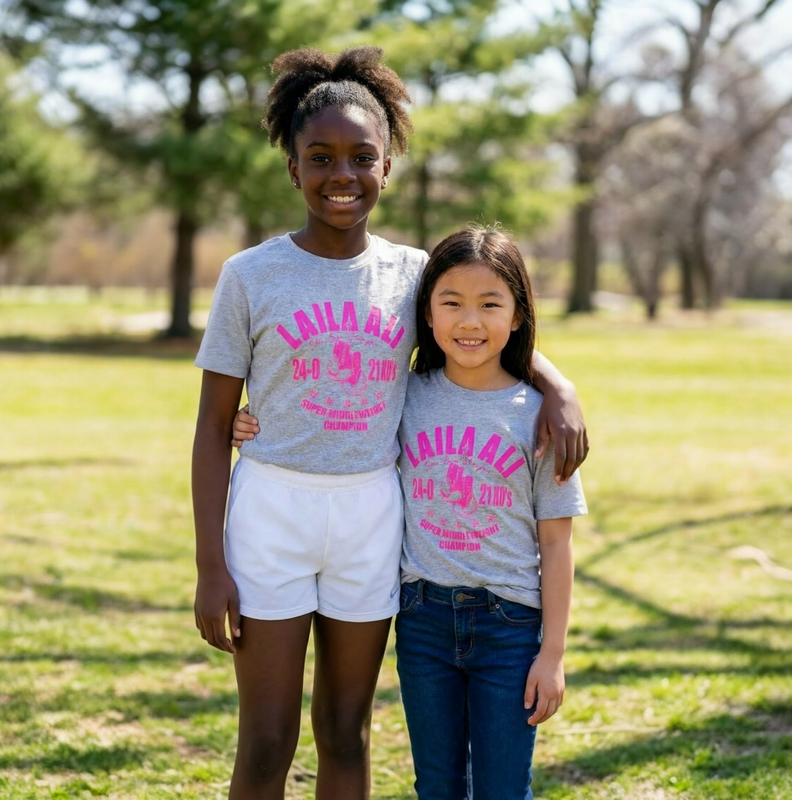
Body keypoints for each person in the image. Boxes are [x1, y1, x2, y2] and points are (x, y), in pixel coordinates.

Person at [194, 46, 588, 800]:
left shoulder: (411, 274)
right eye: (321, 158)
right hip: (271, 511)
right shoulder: (249, 275)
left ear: (386, 169)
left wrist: (558, 385)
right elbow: (213, 428)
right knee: (268, 736)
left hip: (374, 515)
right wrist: (211, 566)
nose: (342, 175)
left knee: (347, 730)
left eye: (361, 158)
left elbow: (481, 328)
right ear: (293, 169)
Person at [395, 225, 586, 800]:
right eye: (450, 303)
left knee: (504, 788)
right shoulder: (403, 396)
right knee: (438, 786)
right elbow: (336, 414)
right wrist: (254, 419)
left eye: (490, 304)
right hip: (422, 618)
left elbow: (556, 544)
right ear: (427, 314)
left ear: (519, 314)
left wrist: (552, 654)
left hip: (510, 627)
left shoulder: (540, 418)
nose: (470, 322)